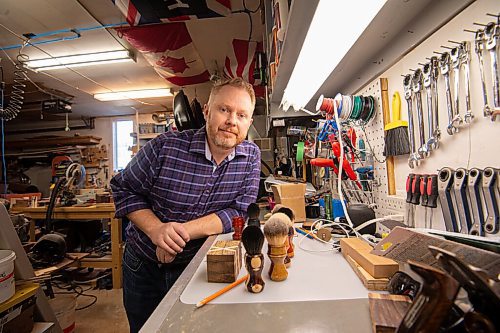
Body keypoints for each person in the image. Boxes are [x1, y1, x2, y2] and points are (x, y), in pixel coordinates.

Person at [110, 77, 261, 333]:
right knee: (146, 328)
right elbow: (123, 188)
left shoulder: (250, 158)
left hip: (198, 267)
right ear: (206, 111)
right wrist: (156, 231)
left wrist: (177, 234)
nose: (232, 121)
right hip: (144, 265)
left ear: (249, 122)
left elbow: (239, 210)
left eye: (241, 115)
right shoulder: (164, 147)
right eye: (224, 109)